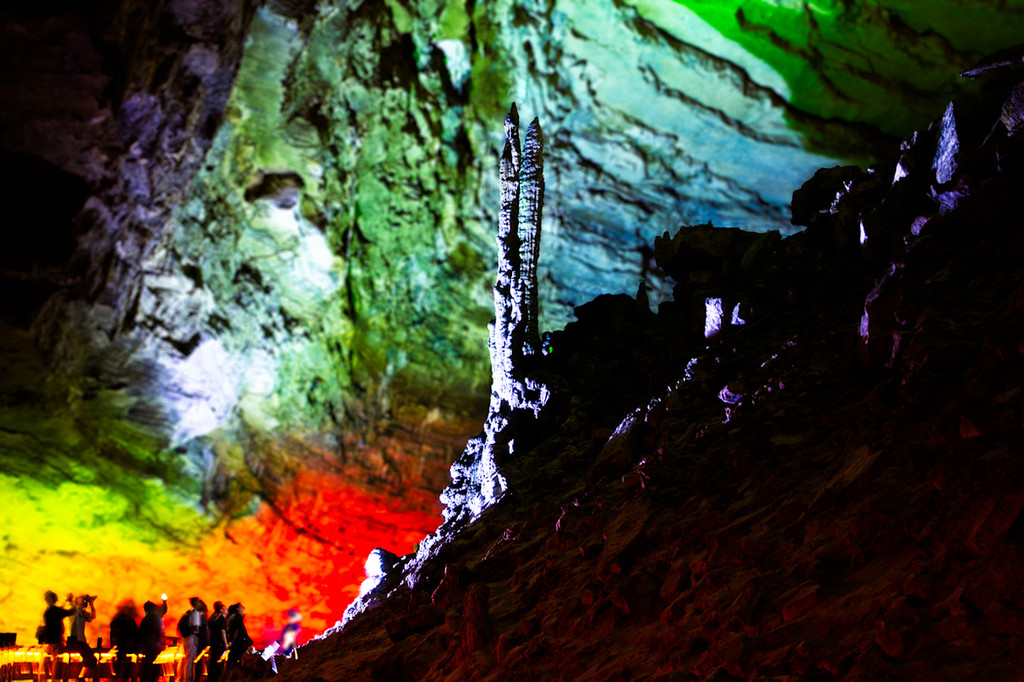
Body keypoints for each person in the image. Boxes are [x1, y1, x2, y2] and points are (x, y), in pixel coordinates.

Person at [38, 590, 74, 682]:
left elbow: (61, 611)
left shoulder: (49, 610)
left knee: (46, 663)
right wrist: (73, 602)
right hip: (56, 641)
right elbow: (70, 612)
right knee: (57, 663)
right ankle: (55, 679)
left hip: (48, 641)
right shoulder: (55, 610)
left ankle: (46, 679)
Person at [65, 594, 99, 673]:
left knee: (91, 659)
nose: (84, 602)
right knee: (90, 659)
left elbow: (93, 616)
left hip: (80, 641)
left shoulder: (82, 613)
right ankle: (80, 677)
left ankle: (80, 677)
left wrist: (91, 604)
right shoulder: (73, 611)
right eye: (83, 600)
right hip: (74, 640)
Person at [137, 597, 168, 682]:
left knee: (147, 669)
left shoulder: (146, 619)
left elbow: (141, 633)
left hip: (148, 648)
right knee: (153, 670)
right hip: (153, 647)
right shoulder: (154, 619)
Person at [109, 600, 139, 682]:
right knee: (125, 664)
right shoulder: (130, 622)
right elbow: (135, 633)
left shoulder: (116, 622)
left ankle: (116, 677)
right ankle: (123, 677)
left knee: (119, 662)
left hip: (120, 646)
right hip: (127, 647)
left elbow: (113, 634)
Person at [176, 597, 203, 682]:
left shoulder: (188, 613)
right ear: (196, 603)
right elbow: (196, 627)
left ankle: (180, 677)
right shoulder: (196, 613)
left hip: (185, 638)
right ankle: (187, 679)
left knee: (183, 660)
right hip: (192, 637)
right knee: (189, 659)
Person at [206, 602, 229, 682]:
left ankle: (211, 678)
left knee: (213, 661)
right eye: (225, 608)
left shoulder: (215, 619)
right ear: (221, 610)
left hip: (214, 643)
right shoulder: (222, 619)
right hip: (219, 644)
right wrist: (226, 643)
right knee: (219, 662)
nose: (227, 610)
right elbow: (223, 631)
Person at [225, 603, 252, 668]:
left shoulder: (233, 618)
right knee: (237, 660)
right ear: (237, 609)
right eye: (241, 607)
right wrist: (233, 642)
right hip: (239, 643)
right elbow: (236, 631)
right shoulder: (237, 618)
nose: (243, 609)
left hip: (238, 643)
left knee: (233, 659)